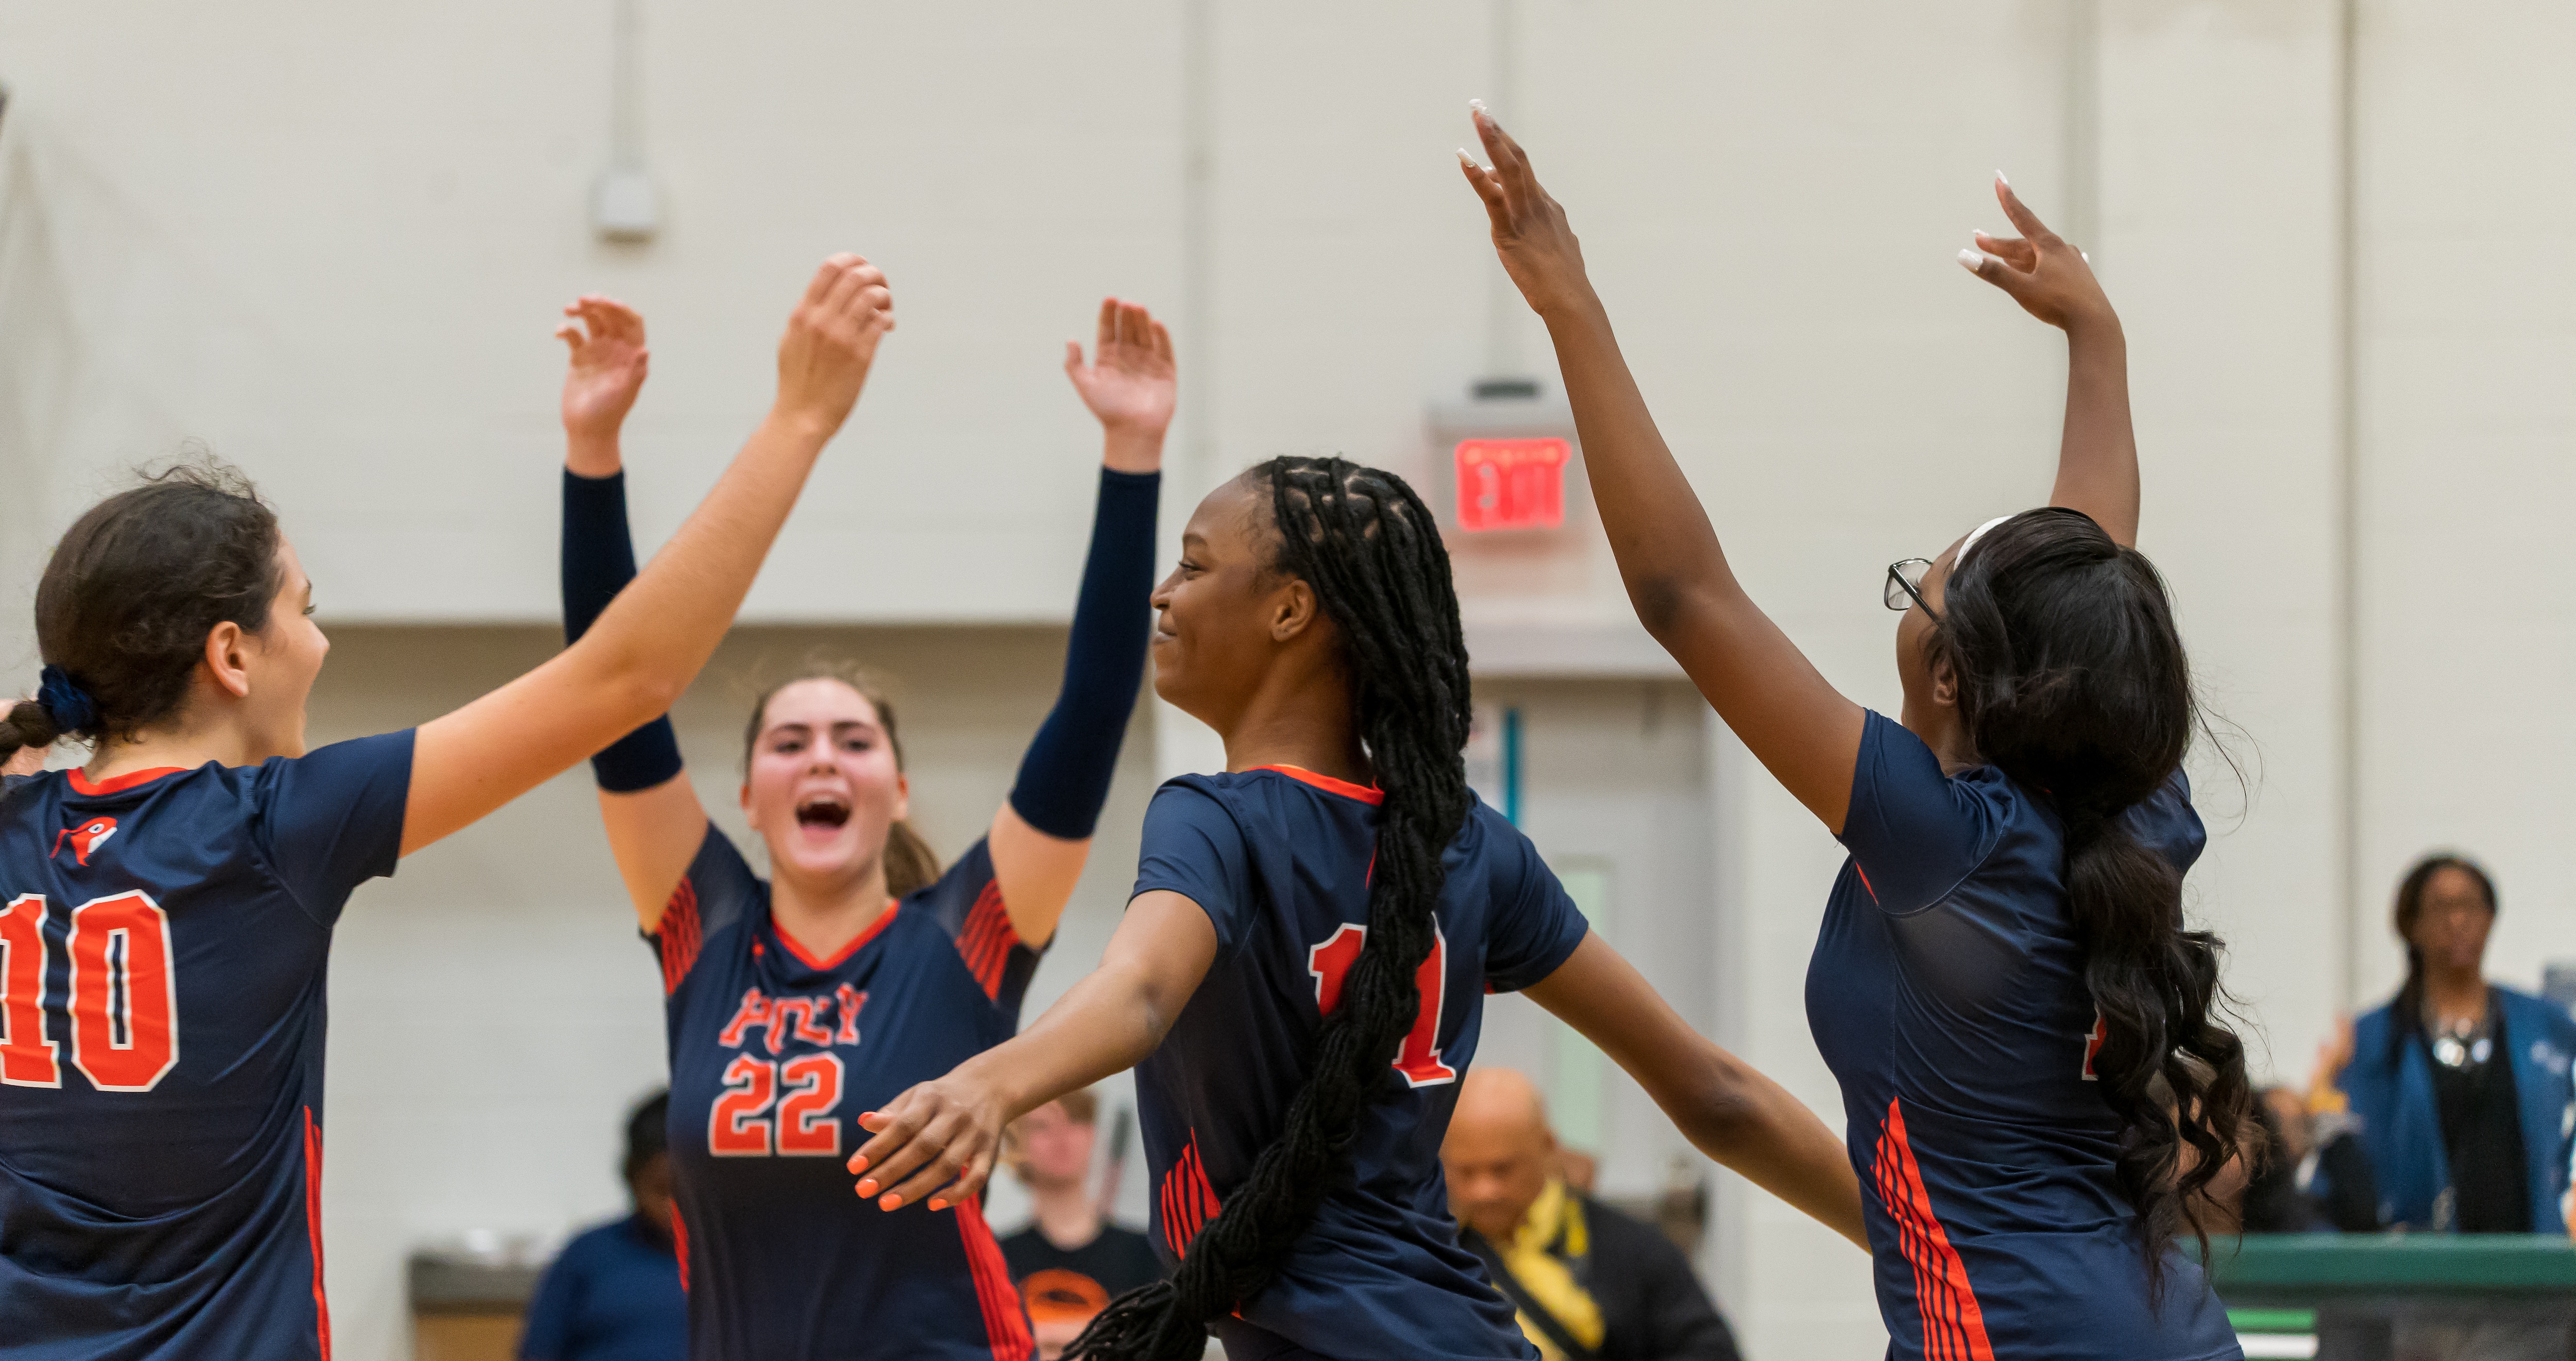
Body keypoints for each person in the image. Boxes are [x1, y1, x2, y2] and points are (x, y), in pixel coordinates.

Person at [1457, 107, 2249, 1360]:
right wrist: (2096, 340)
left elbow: (1685, 597)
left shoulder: (1945, 837)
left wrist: (1571, 309)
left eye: (1915, 587)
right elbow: (2090, 580)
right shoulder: (2126, 809)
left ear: (1948, 675)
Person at [0, 253, 893, 1358]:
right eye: (305, 610)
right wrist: (800, 419)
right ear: (231, 653)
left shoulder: (16, 828)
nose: (321, 641)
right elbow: (625, 677)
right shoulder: (272, 825)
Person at [843, 450, 1867, 1361]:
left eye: (1195, 565)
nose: (1165, 594)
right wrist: (1923, 1246)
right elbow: (1717, 1093)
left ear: (1289, 609)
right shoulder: (1475, 846)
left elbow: (1142, 988)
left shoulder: (1216, 819)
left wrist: (990, 1082)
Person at [556, 293, 1170, 1360]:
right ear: (747, 795)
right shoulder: (703, 927)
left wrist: (1132, 452)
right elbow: (611, 700)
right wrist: (591, 452)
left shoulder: (963, 933)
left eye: (852, 739)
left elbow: (1091, 714)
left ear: (895, 786)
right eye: (789, 743)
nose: (823, 757)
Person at [2321, 854, 2576, 1236]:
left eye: (2470, 905)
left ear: (2491, 918)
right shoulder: (2373, 1037)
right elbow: (2352, 1162)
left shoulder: (2544, 1025)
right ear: (2411, 925)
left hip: (2533, 1256)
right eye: (2441, 907)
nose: (2458, 921)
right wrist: (2321, 1094)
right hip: (2424, 1270)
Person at [1443, 1068, 1745, 1361]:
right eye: (1465, 1172)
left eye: (1502, 1170)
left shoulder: (1636, 1249)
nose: (1483, 1191)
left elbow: (1712, 1352)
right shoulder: (1431, 1251)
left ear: (1547, 1147)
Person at [520, 1091, 689, 1361]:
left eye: (688, 1193)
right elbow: (538, 1351)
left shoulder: (734, 1263)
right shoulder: (587, 1256)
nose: (675, 1209)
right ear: (631, 1176)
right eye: (662, 1191)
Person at [1001, 1091, 1164, 1360]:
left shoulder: (1146, 1251)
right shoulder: (997, 1259)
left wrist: (1042, 1335)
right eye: (1042, 1127)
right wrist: (1105, 1331)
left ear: (1092, 1134)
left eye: (1075, 1120)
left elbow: (1157, 1341)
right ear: (1017, 1147)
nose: (1062, 1136)